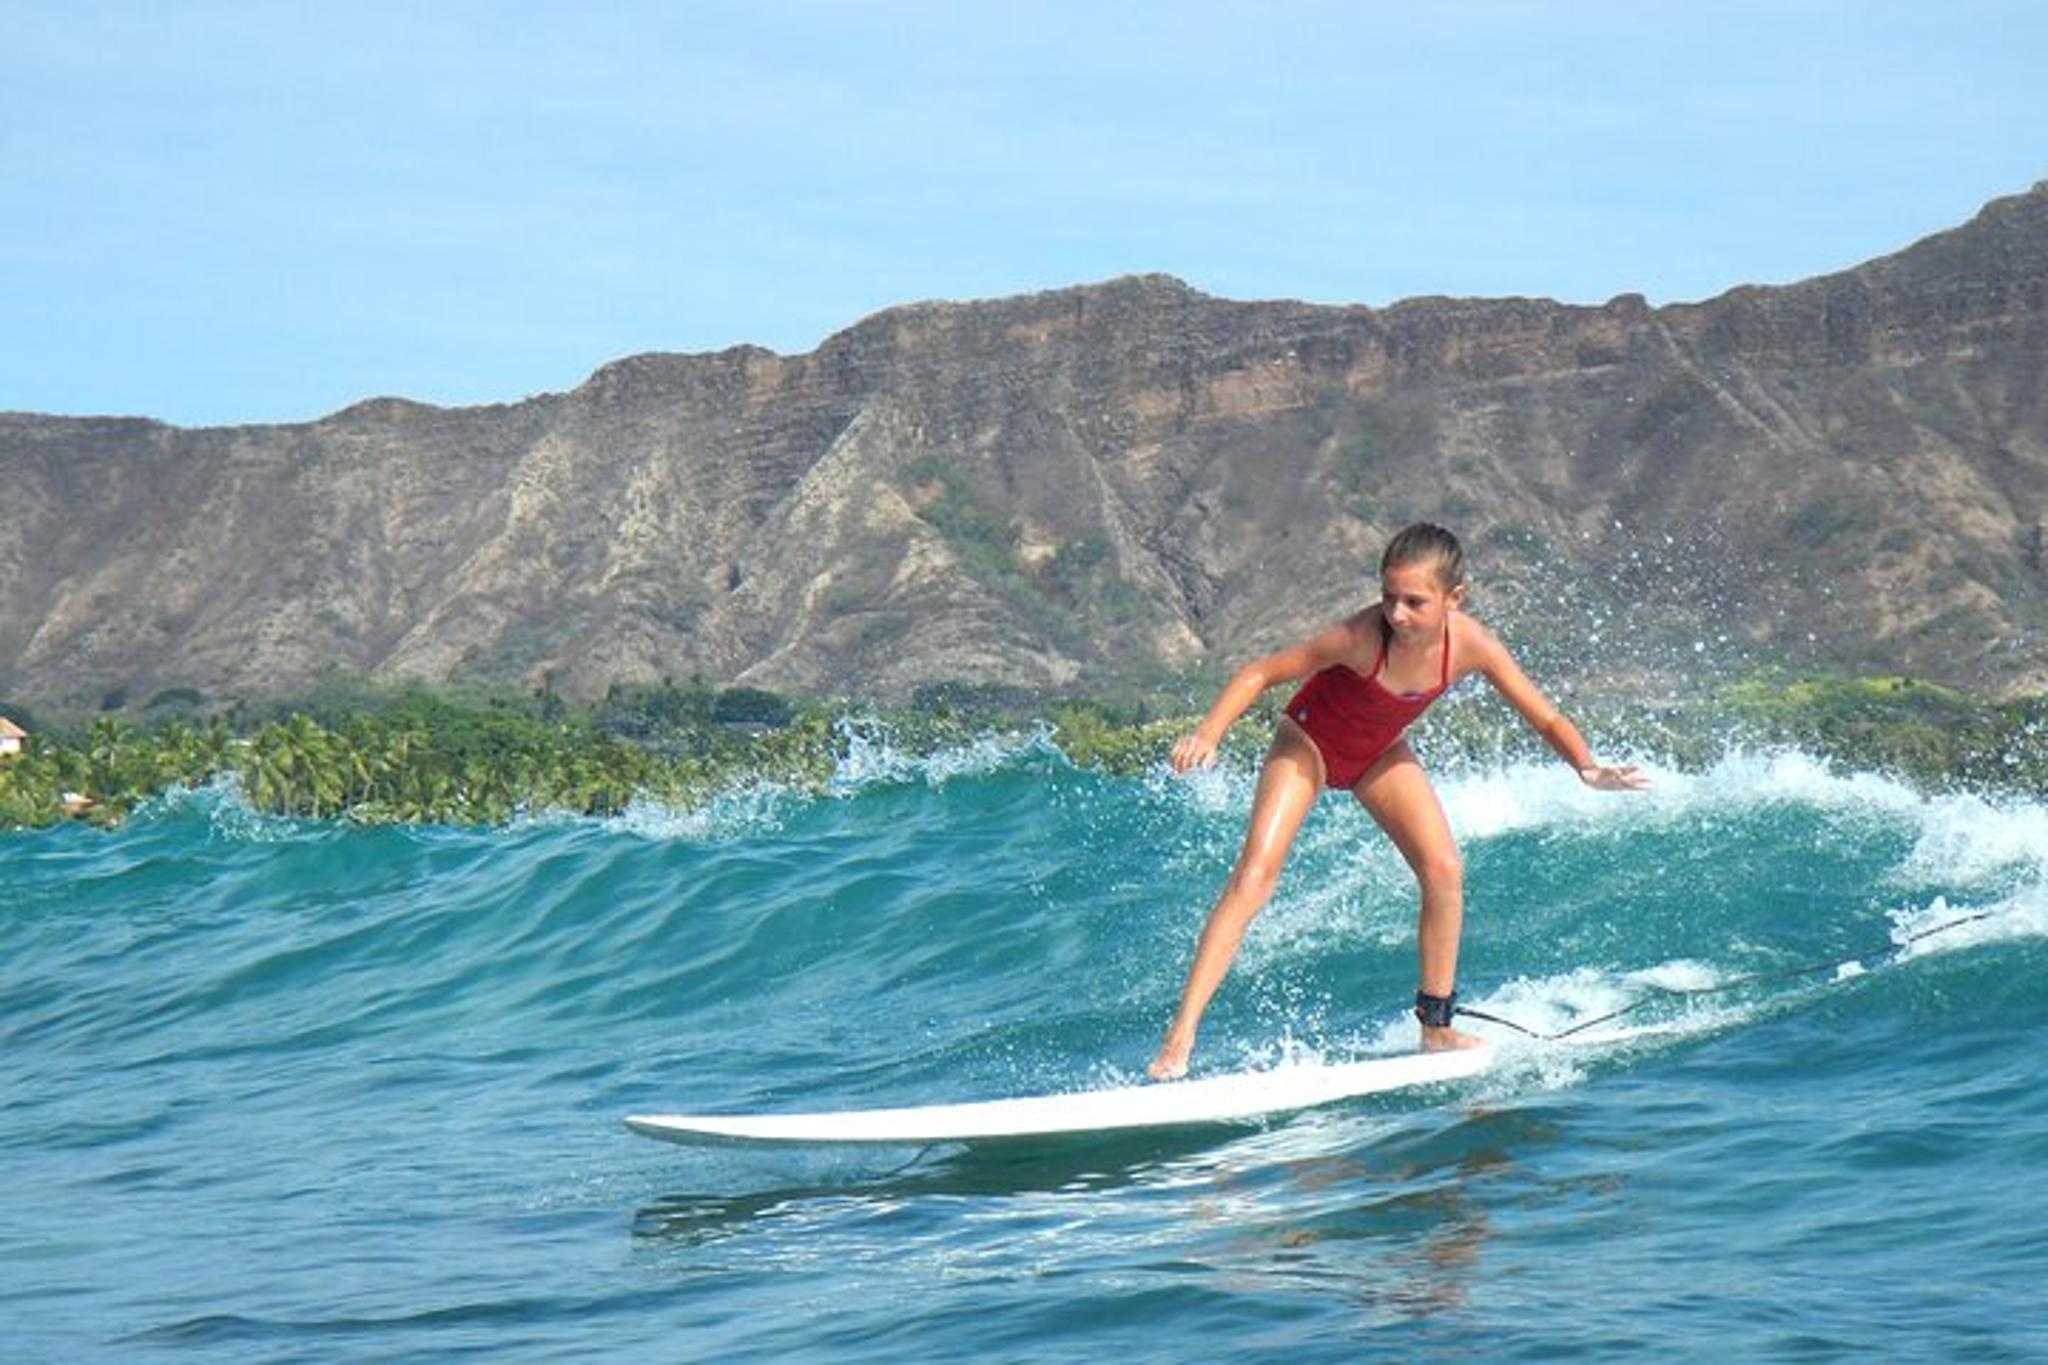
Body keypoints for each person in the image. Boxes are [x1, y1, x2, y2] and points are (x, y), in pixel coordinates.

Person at [1148, 522, 1648, 1080]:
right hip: (1308, 742)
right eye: (1389, 597)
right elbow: (1263, 671)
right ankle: (1181, 1036)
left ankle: (1435, 1027)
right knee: (1256, 877)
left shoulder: (1473, 646)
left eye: (1414, 601)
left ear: (1453, 599)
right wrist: (1209, 733)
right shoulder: (1361, 636)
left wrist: (1586, 765)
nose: (1397, 613)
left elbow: (1545, 715)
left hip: (1378, 754)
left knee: (1444, 870)